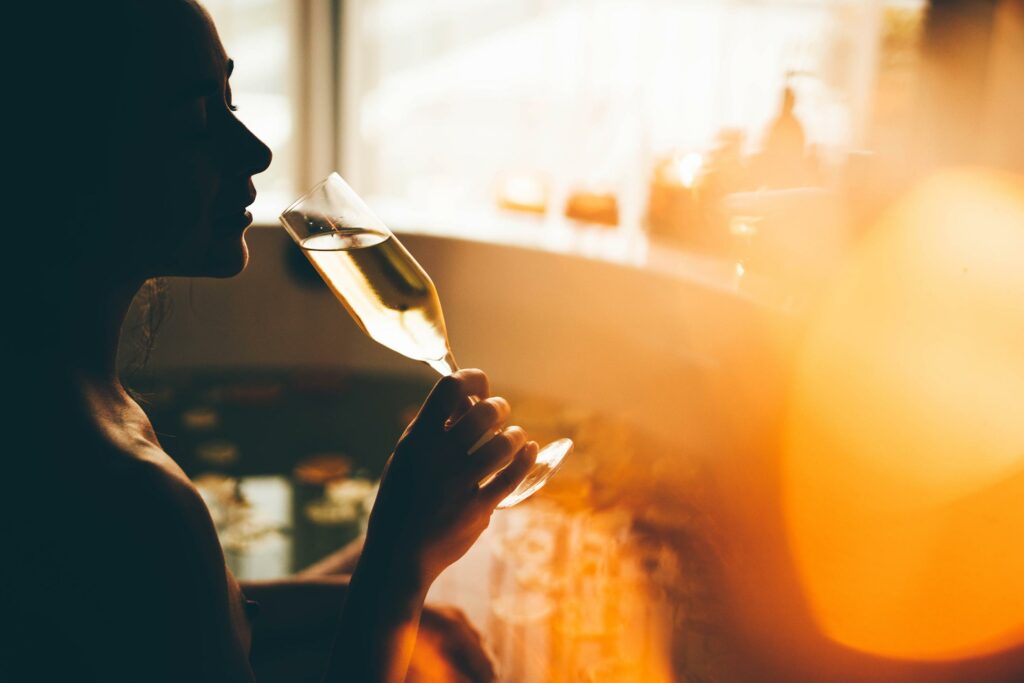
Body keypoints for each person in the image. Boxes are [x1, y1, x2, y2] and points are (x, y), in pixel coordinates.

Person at [1, 1, 538, 681]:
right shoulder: (129, 495)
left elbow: (188, 621)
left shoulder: (59, 398)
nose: (255, 150)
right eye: (197, 117)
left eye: (228, 96)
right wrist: (400, 570)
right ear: (74, 156)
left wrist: (377, 563)